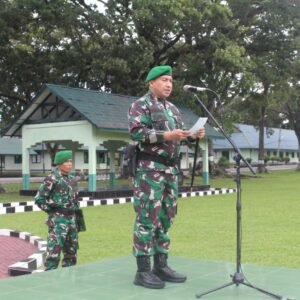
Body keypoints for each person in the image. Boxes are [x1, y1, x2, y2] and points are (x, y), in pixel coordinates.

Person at [128, 65, 206, 289]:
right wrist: (168, 135)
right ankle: (142, 271)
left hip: (171, 171)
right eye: (164, 80)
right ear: (151, 83)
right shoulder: (140, 105)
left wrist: (192, 135)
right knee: (147, 218)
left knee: (165, 217)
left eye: (171, 80)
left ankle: (160, 265)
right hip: (150, 170)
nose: (169, 84)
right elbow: (137, 132)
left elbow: (178, 136)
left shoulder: (173, 109)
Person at [35, 150, 80, 271]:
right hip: (58, 222)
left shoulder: (72, 179)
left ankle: (69, 280)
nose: (70, 164)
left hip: (72, 220)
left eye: (71, 161)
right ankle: (49, 281)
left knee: (71, 253)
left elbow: (75, 200)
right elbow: (39, 199)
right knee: (53, 253)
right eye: (67, 161)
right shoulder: (51, 178)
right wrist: (52, 212)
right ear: (59, 164)